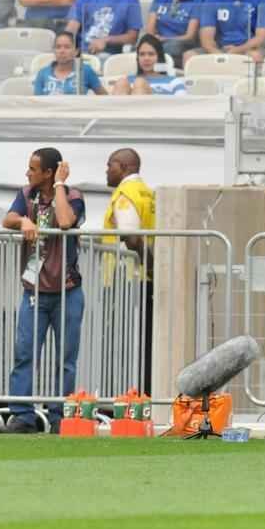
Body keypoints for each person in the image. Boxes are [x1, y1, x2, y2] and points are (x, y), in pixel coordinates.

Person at [0, 148, 85, 436]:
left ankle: (59, 415)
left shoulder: (73, 196)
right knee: (25, 353)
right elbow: (7, 218)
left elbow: (64, 221)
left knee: (66, 357)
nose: (28, 173)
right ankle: (23, 416)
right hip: (33, 291)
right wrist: (23, 221)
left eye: (33, 169)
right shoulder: (26, 195)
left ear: (48, 172)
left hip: (67, 291)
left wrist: (60, 185)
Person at [100, 148, 155, 393]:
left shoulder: (125, 193)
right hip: (144, 278)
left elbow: (131, 237)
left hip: (126, 278)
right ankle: (142, 394)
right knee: (145, 343)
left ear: (123, 167)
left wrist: (148, 264)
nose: (106, 170)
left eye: (110, 165)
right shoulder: (148, 192)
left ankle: (123, 398)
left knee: (122, 343)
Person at [33, 32, 107, 95]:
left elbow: (104, 97)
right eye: (58, 47)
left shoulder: (85, 71)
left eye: (67, 47)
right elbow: (36, 104)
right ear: (54, 50)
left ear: (76, 51)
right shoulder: (43, 73)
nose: (62, 51)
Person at [113, 35, 186, 96]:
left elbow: (182, 106)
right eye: (142, 54)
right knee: (121, 82)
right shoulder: (127, 81)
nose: (146, 58)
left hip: (159, 112)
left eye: (151, 54)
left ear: (159, 57)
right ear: (138, 58)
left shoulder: (173, 82)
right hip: (126, 111)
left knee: (139, 83)